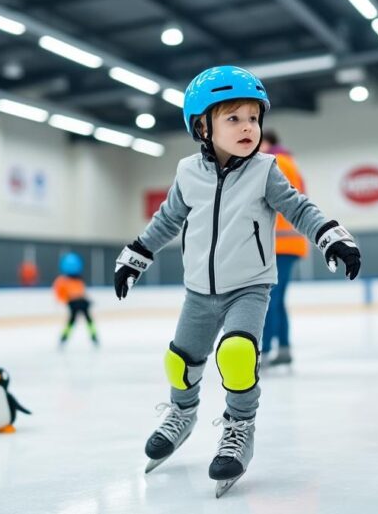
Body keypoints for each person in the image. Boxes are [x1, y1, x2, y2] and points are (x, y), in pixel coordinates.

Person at [113, 66, 362, 496]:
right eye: (234, 118)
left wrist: (331, 238)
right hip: (198, 291)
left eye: (253, 117)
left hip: (250, 286)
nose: (249, 127)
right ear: (202, 126)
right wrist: (135, 256)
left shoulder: (267, 170)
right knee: (181, 359)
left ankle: (239, 427)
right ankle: (181, 414)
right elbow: (168, 219)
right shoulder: (187, 172)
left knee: (238, 354)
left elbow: (300, 209)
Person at [258, 130, 309, 369]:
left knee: (268, 300)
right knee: (276, 300)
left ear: (267, 143)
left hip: (279, 243)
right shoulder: (289, 163)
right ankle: (284, 348)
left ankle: (265, 351)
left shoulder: (274, 164)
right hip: (288, 243)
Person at [53, 252, 99, 347]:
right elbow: (67, 294)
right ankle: (92, 337)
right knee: (82, 320)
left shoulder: (74, 280)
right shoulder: (65, 280)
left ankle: (64, 338)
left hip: (76, 303)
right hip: (76, 303)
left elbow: (79, 292)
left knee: (77, 321)